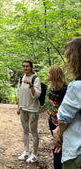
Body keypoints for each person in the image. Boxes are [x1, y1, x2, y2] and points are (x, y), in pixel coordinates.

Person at [53, 38, 81, 169]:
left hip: (77, 150)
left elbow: (64, 118)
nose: (66, 62)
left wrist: (58, 133)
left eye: (68, 57)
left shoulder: (77, 86)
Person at [17, 59, 41, 163]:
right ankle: (26, 151)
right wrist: (18, 107)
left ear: (31, 67)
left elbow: (36, 95)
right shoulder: (21, 78)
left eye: (27, 66)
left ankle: (34, 154)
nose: (25, 68)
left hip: (33, 109)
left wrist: (31, 85)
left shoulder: (36, 79)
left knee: (34, 132)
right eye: (24, 66)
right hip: (23, 108)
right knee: (25, 130)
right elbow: (19, 94)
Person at [47, 65, 67, 169]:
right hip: (51, 121)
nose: (48, 74)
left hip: (61, 125)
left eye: (49, 73)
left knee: (58, 149)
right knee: (55, 146)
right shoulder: (52, 88)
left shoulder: (64, 90)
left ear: (55, 75)